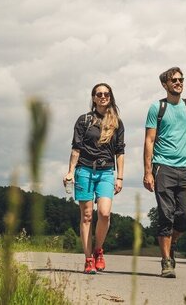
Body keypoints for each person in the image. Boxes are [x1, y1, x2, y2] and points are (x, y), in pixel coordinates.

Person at [143, 67, 186, 278]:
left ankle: (173, 243)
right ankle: (166, 262)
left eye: (181, 80)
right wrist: (147, 172)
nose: (178, 83)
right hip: (163, 167)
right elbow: (149, 141)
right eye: (174, 80)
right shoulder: (157, 108)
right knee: (165, 215)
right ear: (165, 84)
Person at [64, 83, 125, 274]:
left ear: (111, 97)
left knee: (105, 213)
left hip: (106, 172)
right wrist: (71, 171)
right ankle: (88, 258)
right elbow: (76, 148)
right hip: (84, 170)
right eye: (99, 94)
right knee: (87, 215)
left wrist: (120, 177)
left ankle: (99, 250)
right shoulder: (84, 121)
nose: (103, 96)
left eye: (107, 94)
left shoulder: (117, 122)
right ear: (93, 98)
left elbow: (120, 152)